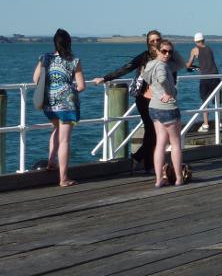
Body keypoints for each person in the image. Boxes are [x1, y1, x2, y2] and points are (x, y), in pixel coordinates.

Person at [91, 30, 185, 173]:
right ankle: (143, 160)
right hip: (144, 99)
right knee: (153, 133)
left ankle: (145, 163)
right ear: (148, 43)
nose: (155, 43)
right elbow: (127, 68)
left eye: (158, 40)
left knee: (153, 134)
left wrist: (170, 49)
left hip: (162, 101)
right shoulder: (144, 57)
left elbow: (177, 69)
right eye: (152, 40)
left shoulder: (167, 56)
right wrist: (105, 78)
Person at [33, 29, 86, 187]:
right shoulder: (74, 60)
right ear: (69, 42)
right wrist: (70, 89)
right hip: (67, 104)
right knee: (65, 141)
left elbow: (36, 79)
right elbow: (82, 86)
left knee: (55, 129)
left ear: (55, 43)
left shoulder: (45, 57)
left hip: (49, 102)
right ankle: (63, 178)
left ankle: (50, 162)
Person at [143, 39, 184, 188]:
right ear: (157, 51)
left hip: (154, 107)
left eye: (170, 52)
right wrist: (169, 91)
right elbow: (162, 78)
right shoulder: (161, 66)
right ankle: (179, 177)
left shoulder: (151, 64)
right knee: (175, 143)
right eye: (164, 51)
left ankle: (159, 179)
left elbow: (181, 64)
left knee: (160, 142)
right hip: (167, 107)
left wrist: (173, 49)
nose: (167, 54)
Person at [186, 32, 221, 132]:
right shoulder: (209, 48)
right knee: (217, 101)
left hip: (205, 78)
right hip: (216, 75)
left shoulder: (195, 50)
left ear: (195, 41)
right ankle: (219, 123)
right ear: (203, 40)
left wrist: (188, 66)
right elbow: (207, 62)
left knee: (205, 101)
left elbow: (189, 65)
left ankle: (206, 124)